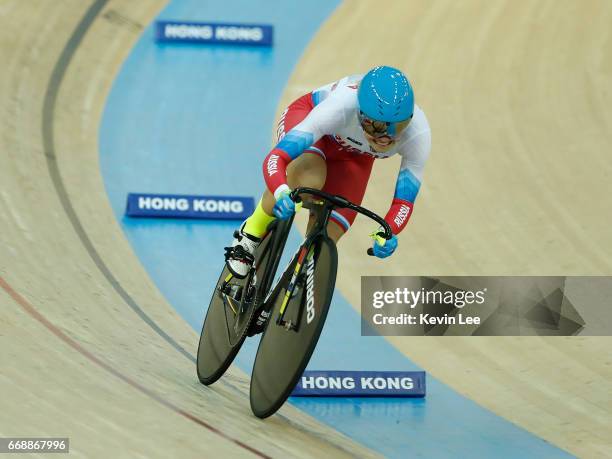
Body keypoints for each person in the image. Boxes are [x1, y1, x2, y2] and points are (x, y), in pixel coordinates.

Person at [226, 65, 431, 278]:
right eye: (377, 127)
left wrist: (388, 231)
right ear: (361, 115)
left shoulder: (418, 133)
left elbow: (403, 202)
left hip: (353, 156)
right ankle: (249, 235)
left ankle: (293, 280)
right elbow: (277, 158)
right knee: (309, 180)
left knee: (330, 233)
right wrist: (280, 191)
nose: (386, 138)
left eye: (397, 127)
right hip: (311, 122)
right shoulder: (340, 106)